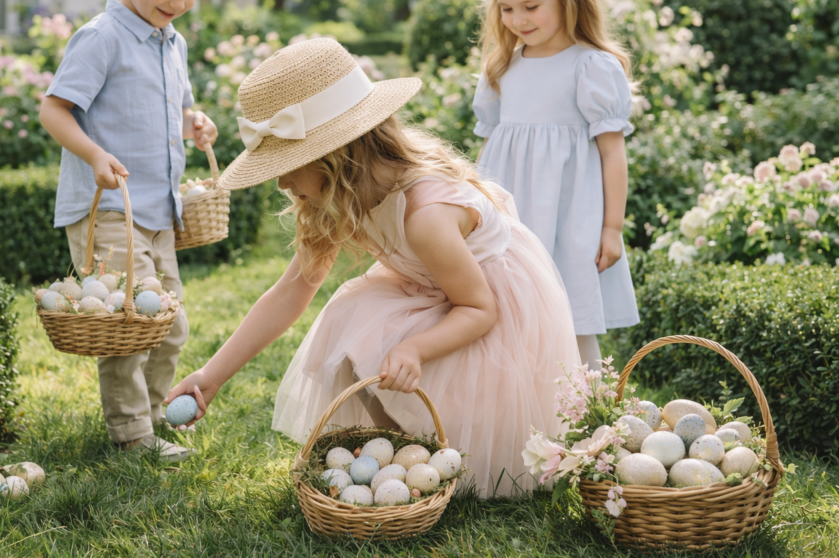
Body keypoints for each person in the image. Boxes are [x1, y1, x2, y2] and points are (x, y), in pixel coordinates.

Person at [165, 38, 580, 497]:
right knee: (351, 320)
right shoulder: (340, 197)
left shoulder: (426, 216)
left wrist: (417, 349)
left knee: (429, 368)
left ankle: (429, 451)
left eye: (288, 165)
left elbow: (480, 309)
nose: (281, 181)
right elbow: (290, 293)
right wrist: (212, 375)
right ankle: (401, 456)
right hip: (430, 285)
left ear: (336, 158)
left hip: (486, 302)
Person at [39, 0, 220, 459]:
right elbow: (54, 109)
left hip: (157, 212)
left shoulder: (175, 43)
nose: (180, 2)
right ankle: (132, 435)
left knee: (170, 325)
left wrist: (195, 123)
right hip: (111, 208)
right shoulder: (102, 37)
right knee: (128, 327)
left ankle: (155, 411)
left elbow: (177, 105)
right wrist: (94, 154)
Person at [471, 0, 640, 369]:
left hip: (567, 217)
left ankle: (589, 412)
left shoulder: (590, 67)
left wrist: (611, 227)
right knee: (504, 310)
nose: (518, 20)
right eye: (506, 9)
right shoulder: (501, 68)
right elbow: (487, 151)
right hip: (512, 211)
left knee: (569, 315)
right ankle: (512, 404)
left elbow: (611, 153)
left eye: (531, 7)